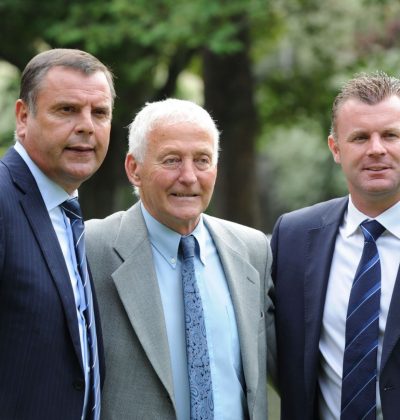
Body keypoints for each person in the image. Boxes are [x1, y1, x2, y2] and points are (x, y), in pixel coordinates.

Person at [86, 98, 276, 420]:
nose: (189, 176)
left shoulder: (252, 250)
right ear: (134, 169)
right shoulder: (92, 248)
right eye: (172, 160)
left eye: (202, 160)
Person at [271, 71, 400, 420]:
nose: (377, 149)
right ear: (335, 149)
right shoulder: (293, 237)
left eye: (391, 135)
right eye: (360, 137)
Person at [0, 48, 115, 419]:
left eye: (100, 113)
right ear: (23, 116)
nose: (86, 126)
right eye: (67, 109)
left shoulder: (70, 216)